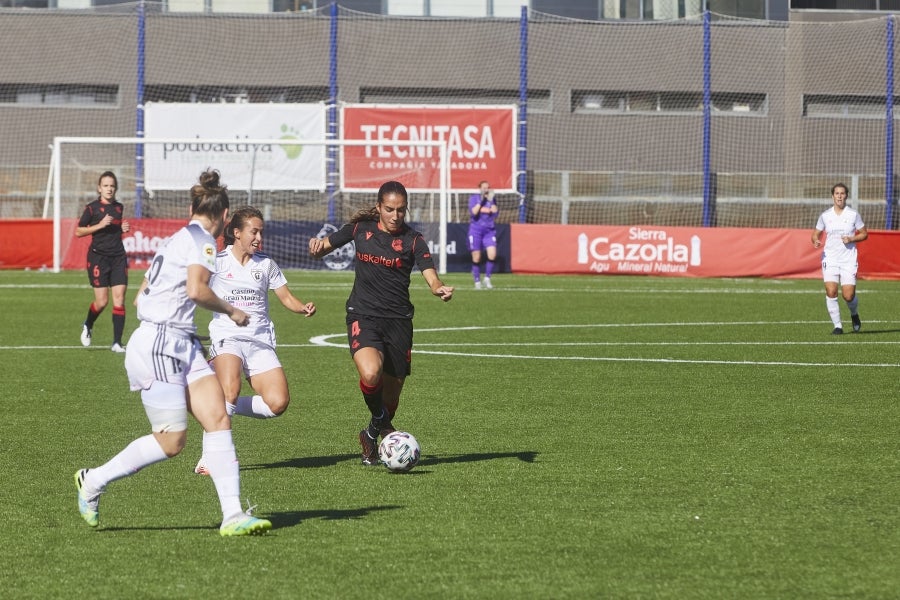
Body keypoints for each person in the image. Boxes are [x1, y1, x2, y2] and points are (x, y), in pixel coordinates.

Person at [73, 169, 272, 536]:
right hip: (161, 344)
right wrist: (232, 310)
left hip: (180, 341)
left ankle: (233, 515)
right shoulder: (204, 243)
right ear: (225, 217)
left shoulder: (175, 239)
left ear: (191, 207)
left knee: (217, 417)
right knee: (172, 441)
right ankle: (93, 480)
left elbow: (141, 294)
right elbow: (197, 290)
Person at [308, 180, 454, 465]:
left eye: (401, 210)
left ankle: (372, 433)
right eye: (389, 209)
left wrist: (438, 287)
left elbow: (429, 273)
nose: (395, 215)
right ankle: (382, 424)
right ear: (379, 207)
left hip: (399, 321)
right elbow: (325, 246)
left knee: (392, 392)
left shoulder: (414, 240)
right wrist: (316, 248)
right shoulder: (360, 229)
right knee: (371, 373)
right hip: (363, 315)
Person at [194, 206, 317, 476]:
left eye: (261, 231)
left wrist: (302, 308)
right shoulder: (218, 261)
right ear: (236, 233)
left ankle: (221, 407)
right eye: (254, 231)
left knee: (277, 403)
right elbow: (196, 288)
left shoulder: (266, 264)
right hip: (228, 337)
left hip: (260, 341)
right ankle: (209, 457)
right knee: (230, 389)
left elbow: (285, 297)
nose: (259, 237)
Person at [75, 171, 131, 352]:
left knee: (119, 299)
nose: (109, 189)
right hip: (98, 257)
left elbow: (114, 230)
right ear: (99, 188)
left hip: (118, 257)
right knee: (101, 302)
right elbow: (79, 231)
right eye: (106, 185)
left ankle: (116, 343)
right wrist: (100, 225)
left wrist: (121, 228)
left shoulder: (119, 207)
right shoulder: (92, 208)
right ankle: (88, 324)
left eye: (112, 186)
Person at [811, 182, 868, 335]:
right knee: (831, 292)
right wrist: (815, 240)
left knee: (848, 295)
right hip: (830, 259)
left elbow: (864, 233)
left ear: (846, 196)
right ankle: (838, 326)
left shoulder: (853, 214)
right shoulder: (825, 215)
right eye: (837, 193)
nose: (839, 196)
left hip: (848, 260)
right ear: (832, 196)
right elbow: (815, 233)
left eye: (842, 193)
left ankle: (854, 314)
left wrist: (851, 239)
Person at [467, 180, 499, 289]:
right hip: (476, 230)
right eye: (484, 187)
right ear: (480, 188)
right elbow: (474, 212)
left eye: (488, 187)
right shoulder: (474, 198)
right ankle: (477, 281)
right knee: (476, 257)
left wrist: (492, 202)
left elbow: (495, 214)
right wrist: (481, 201)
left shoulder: (491, 199)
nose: (486, 189)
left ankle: (487, 279)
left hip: (489, 231)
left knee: (492, 254)